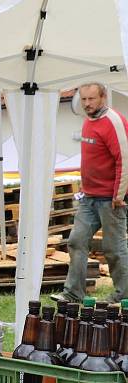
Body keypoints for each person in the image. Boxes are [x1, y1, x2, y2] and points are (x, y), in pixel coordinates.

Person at [52, 82, 128, 304]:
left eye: (91, 99)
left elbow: (124, 160)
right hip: (89, 198)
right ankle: (73, 294)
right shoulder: (88, 122)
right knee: (76, 241)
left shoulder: (113, 122)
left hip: (111, 199)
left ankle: (124, 295)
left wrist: (119, 194)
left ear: (103, 97)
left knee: (113, 249)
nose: (87, 104)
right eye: (83, 99)